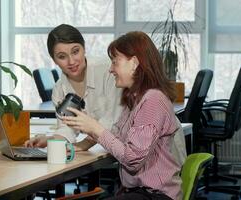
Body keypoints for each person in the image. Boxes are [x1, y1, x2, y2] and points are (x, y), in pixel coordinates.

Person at [62, 31, 183, 200]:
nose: (111, 69)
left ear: (134, 63)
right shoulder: (136, 99)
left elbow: (132, 160)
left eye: (115, 61)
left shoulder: (153, 100)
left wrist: (96, 128)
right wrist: (88, 129)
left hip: (155, 195)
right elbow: (118, 137)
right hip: (138, 192)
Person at [24, 24, 122, 150]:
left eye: (75, 52)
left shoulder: (108, 71)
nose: (71, 62)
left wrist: (84, 144)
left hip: (125, 150)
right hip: (101, 152)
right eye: (62, 57)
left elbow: (113, 119)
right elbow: (67, 128)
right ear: (54, 60)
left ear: (84, 48)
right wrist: (51, 140)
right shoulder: (59, 90)